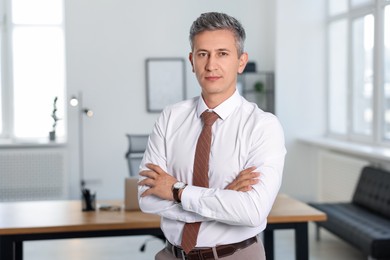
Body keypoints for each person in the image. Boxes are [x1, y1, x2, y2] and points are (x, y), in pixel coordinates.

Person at [138, 12, 286, 260]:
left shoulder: (263, 126)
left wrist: (177, 191)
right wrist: (224, 198)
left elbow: (252, 211)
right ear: (192, 60)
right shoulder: (170, 117)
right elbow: (147, 199)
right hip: (171, 255)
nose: (211, 64)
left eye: (222, 53)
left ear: (241, 61)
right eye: (202, 54)